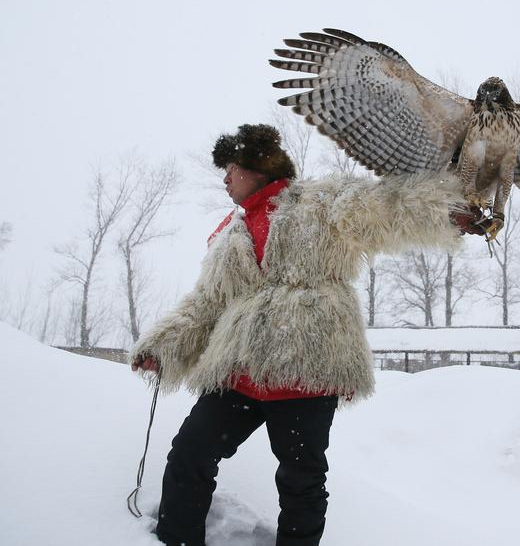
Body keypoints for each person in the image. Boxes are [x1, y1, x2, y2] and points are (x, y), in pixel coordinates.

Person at [130, 123, 478, 546]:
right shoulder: (230, 237)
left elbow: (383, 206)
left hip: (306, 372)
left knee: (301, 481)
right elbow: (207, 304)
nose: (225, 178)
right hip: (240, 375)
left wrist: (447, 210)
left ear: (258, 167)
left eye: (232, 168)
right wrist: (163, 347)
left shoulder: (318, 202)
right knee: (189, 454)